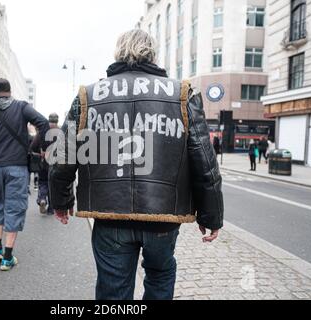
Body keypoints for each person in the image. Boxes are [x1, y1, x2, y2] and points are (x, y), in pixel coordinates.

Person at [49, 29, 224, 300]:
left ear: (118, 53)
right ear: (152, 54)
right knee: (160, 274)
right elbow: (204, 160)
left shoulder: (89, 95)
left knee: (113, 287)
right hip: (164, 214)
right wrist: (210, 215)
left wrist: (61, 201)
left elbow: (63, 155)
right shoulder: (182, 93)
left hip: (110, 214)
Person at [0, 79, 50, 271]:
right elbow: (43, 123)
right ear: (9, 91)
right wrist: (40, 146)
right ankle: (7, 257)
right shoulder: (21, 107)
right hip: (16, 165)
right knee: (14, 208)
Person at [31, 113, 59, 215]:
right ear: (57, 121)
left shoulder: (42, 132)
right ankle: (51, 209)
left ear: (48, 120)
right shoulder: (61, 132)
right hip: (56, 164)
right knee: (53, 185)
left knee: (43, 182)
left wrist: (41, 152)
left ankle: (42, 198)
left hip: (43, 163)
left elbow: (33, 146)